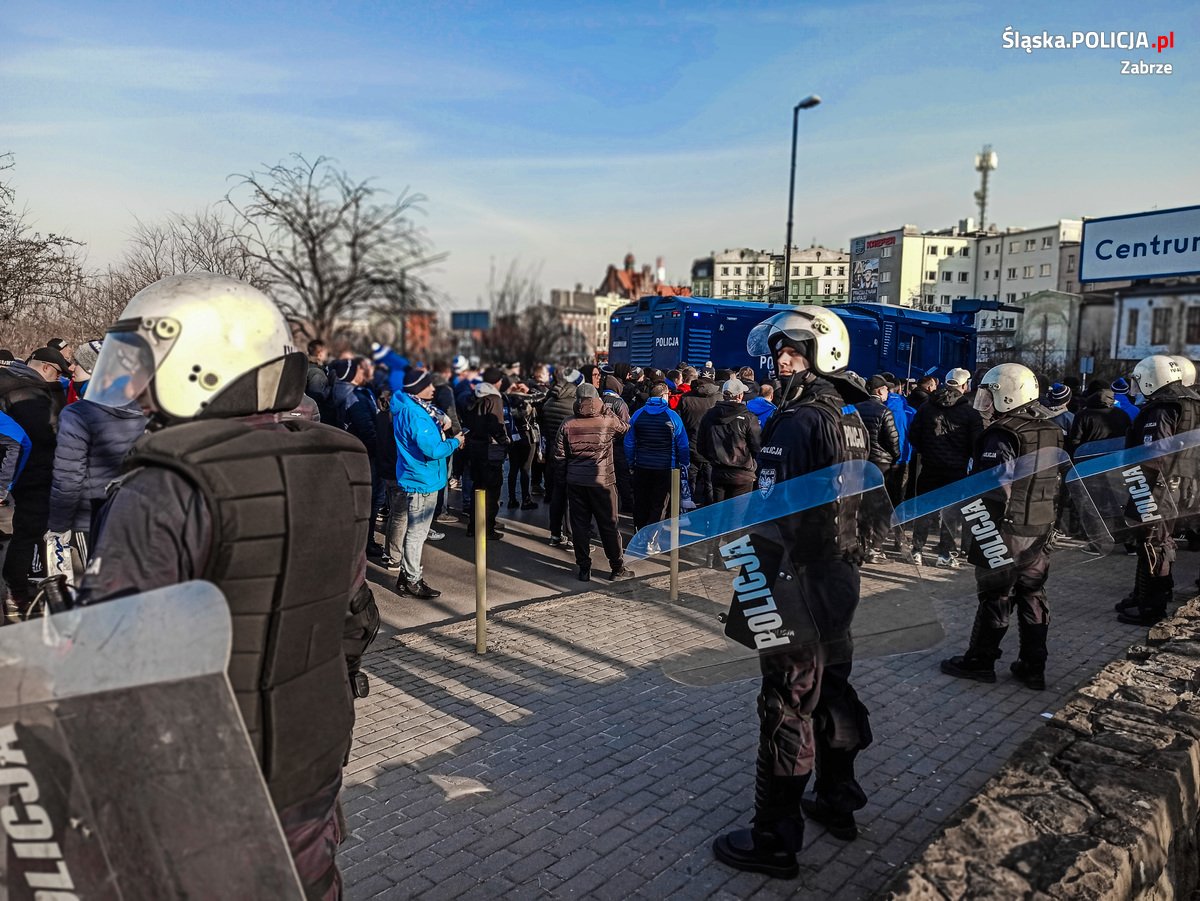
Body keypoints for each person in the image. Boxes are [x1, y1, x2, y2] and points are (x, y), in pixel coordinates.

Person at [76, 272, 377, 897]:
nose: (138, 390)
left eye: (148, 365)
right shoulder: (342, 459)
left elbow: (111, 672)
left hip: (204, 792)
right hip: (312, 760)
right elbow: (354, 615)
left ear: (199, 365)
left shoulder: (165, 485)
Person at [713, 307, 872, 879]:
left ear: (821, 355)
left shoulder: (799, 420)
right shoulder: (850, 416)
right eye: (780, 349)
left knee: (787, 705)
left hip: (797, 580)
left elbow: (771, 513)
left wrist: (751, 582)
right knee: (833, 691)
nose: (782, 360)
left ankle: (775, 839)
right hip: (839, 576)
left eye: (795, 350)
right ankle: (837, 799)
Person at [939, 363, 1064, 691]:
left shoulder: (1003, 433)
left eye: (990, 394)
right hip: (1040, 526)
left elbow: (995, 485)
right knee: (1033, 593)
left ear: (1008, 395)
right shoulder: (1050, 428)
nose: (985, 402)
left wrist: (977, 523)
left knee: (996, 595)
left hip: (1005, 528)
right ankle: (1033, 666)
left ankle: (980, 661)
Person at [1113, 355, 1200, 625]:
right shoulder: (1192, 402)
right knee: (1155, 540)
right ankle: (1143, 595)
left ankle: (1152, 607)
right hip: (1184, 483)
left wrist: (1135, 480)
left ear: (1152, 379)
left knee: (1154, 543)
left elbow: (1154, 452)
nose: (1137, 387)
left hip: (1158, 485)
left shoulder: (1162, 407)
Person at [0, 346, 69, 616]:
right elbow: (28, 439)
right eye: (58, 374)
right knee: (29, 532)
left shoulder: (12, 381)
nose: (59, 380)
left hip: (23, 470)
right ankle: (17, 592)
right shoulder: (29, 392)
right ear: (47, 368)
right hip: (33, 472)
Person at [46, 390, 147, 566]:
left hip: (93, 518)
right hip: (139, 511)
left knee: (100, 576)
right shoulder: (151, 410)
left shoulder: (77, 414)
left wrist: (58, 526)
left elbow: (68, 476)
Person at [388, 369, 464, 597]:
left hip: (419, 476)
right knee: (417, 533)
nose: (433, 389)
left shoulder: (411, 406)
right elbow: (433, 450)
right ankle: (412, 580)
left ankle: (407, 576)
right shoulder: (415, 414)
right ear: (416, 389)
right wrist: (455, 442)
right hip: (422, 480)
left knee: (415, 531)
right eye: (428, 385)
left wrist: (439, 426)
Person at [554, 383, 632, 581]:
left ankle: (583, 568)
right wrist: (607, 410)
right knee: (609, 524)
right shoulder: (607, 420)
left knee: (579, 526)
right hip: (602, 481)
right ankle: (617, 567)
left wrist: (562, 481)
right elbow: (625, 428)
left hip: (576, 481)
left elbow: (560, 456)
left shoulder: (567, 423)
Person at [907, 368, 983, 567]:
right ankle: (945, 554)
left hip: (929, 466)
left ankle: (916, 550)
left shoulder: (926, 407)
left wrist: (927, 450)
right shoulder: (970, 413)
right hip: (956, 469)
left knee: (924, 509)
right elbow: (977, 444)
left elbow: (913, 435)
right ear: (964, 385)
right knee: (952, 513)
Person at [624, 382, 689, 531]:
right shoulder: (672, 416)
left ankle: (639, 533)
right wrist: (684, 463)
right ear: (664, 395)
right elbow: (683, 444)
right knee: (659, 504)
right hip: (666, 467)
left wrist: (631, 463)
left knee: (641, 502)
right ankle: (652, 538)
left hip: (642, 465)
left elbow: (629, 443)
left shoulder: (638, 414)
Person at [854, 375, 901, 562]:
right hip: (880, 464)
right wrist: (895, 457)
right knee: (883, 507)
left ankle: (862, 544)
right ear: (880, 391)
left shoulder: (855, 409)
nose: (888, 392)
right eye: (886, 389)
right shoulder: (884, 411)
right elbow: (893, 439)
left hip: (860, 462)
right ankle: (876, 548)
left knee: (863, 505)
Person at [462, 367, 509, 540]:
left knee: (478, 487)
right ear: (497, 381)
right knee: (492, 490)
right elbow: (496, 425)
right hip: (490, 449)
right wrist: (505, 441)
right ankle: (487, 528)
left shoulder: (473, 396)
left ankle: (473, 526)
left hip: (474, 448)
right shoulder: (494, 399)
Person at [538, 368, 582, 548]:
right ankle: (571, 536)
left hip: (553, 454)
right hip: (571, 456)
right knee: (571, 498)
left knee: (557, 496)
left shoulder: (548, 402)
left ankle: (555, 534)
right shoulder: (574, 405)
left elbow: (544, 428)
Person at [698, 377, 761, 503]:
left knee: (719, 512)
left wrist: (714, 459)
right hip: (742, 475)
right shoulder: (748, 418)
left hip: (719, 472)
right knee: (737, 514)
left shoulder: (709, 415)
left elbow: (701, 445)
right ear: (740, 396)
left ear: (723, 395)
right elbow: (757, 447)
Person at [305, 339, 334, 423]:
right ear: (320, 354)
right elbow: (316, 398)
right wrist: (331, 388)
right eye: (326, 352)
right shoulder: (317, 373)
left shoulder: (307, 367)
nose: (327, 355)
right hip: (318, 419)